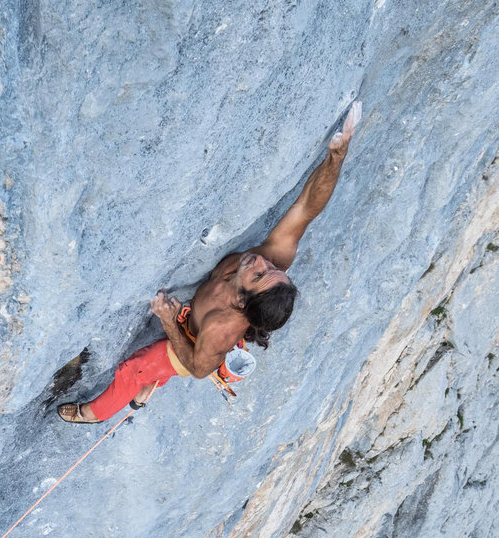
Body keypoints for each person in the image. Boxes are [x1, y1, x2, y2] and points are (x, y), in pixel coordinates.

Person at [58, 102, 361, 423]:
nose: (262, 261)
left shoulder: (220, 329)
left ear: (243, 300)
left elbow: (199, 368)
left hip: (189, 347)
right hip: (199, 320)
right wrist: (336, 158)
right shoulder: (270, 265)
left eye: (260, 274)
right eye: (272, 270)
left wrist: (169, 322)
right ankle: (151, 384)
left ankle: (91, 415)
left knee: (134, 369)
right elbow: (306, 209)